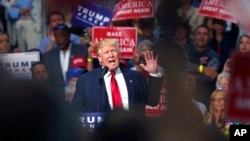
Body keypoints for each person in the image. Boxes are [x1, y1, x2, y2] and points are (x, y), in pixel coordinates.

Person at [71, 38, 163, 116]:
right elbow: (76, 112)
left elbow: (153, 101)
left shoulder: (135, 76)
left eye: (113, 51)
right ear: (99, 58)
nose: (111, 55)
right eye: (106, 52)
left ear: (119, 55)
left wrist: (154, 74)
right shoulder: (86, 80)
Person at [43, 23, 88, 98]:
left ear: (69, 35)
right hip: (56, 97)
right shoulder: (48, 56)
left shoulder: (82, 50)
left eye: (62, 35)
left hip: (78, 94)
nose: (59, 39)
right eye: (56, 36)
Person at [186, 25, 221, 108]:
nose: (201, 36)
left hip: (206, 96)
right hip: (186, 96)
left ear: (209, 37)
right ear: (193, 36)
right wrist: (202, 69)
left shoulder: (214, 56)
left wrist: (191, 74)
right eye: (198, 33)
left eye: (205, 34)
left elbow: (211, 75)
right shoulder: (186, 51)